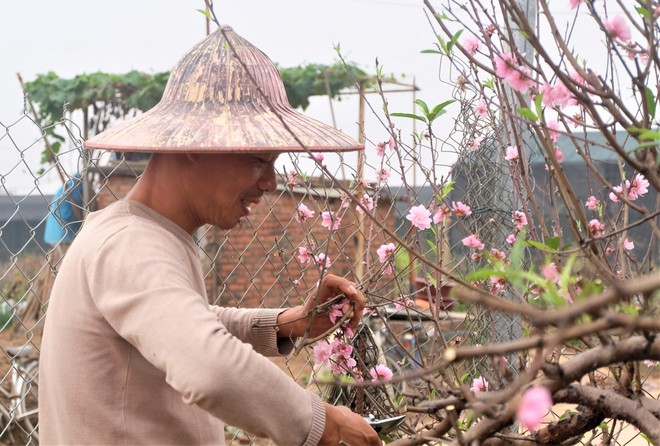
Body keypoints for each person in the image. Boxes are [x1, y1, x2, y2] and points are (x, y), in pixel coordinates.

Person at [39, 26, 381, 446]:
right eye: (259, 159)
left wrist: (289, 323)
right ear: (193, 145)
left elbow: (181, 321)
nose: (270, 183)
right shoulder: (132, 244)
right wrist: (323, 423)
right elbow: (210, 367)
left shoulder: (138, 234)